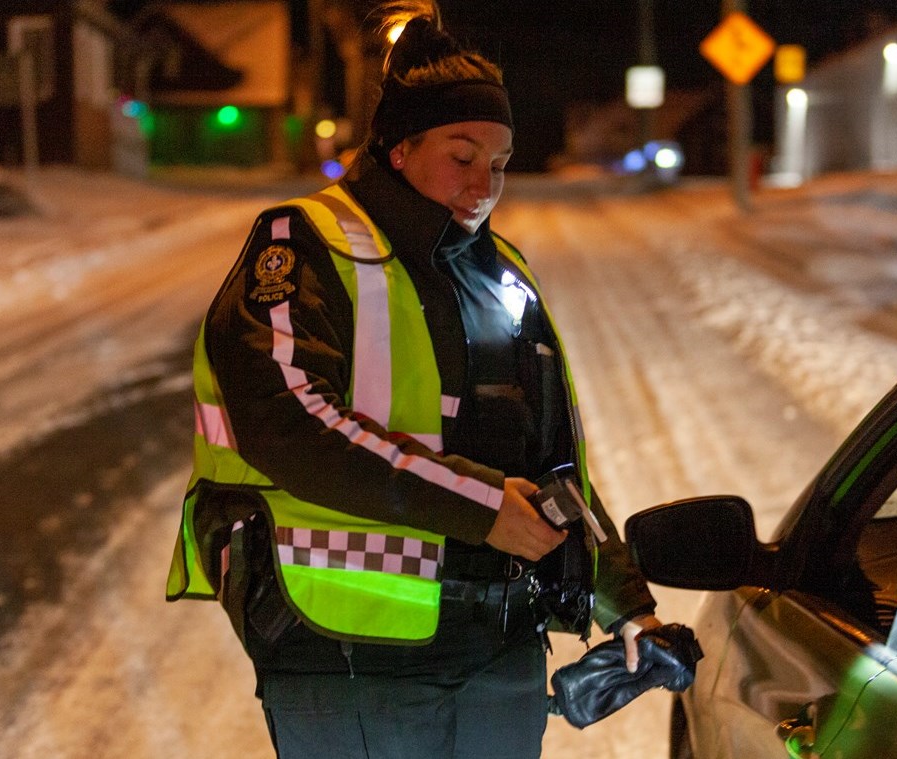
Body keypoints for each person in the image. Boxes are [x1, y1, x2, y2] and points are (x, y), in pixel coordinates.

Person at [165, 3, 664, 756]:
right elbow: (287, 420)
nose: (484, 185)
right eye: (462, 156)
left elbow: (549, 470)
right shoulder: (304, 242)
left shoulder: (503, 274)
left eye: (498, 164)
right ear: (399, 149)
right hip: (346, 650)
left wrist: (628, 607)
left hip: (497, 654)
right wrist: (482, 505)